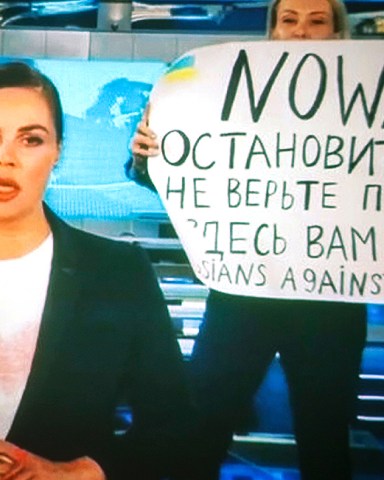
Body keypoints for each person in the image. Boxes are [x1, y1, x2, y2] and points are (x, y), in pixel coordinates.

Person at [127, 1, 367, 479]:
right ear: (273, 29)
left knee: (325, 436)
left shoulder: (369, 108)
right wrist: (146, 156)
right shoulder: (221, 93)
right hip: (241, 292)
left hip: (332, 301)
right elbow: (166, 179)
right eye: (290, 20)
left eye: (317, 21)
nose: (301, 33)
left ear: (338, 32)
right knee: (204, 423)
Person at [0, 61, 202, 480]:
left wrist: (76, 473)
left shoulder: (118, 274)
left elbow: (174, 429)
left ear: (58, 153)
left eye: (30, 139)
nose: (6, 159)